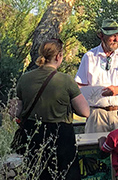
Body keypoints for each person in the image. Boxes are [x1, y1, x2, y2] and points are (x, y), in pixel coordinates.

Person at [11, 38, 90, 180]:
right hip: (61, 138)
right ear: (58, 56)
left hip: (33, 136)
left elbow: (15, 111)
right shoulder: (65, 80)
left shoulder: (24, 78)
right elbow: (85, 112)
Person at [75, 18, 118, 133]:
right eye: (111, 35)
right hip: (96, 114)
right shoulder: (89, 57)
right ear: (101, 36)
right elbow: (79, 86)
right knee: (95, 149)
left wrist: (116, 90)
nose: (115, 39)